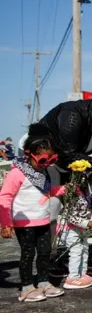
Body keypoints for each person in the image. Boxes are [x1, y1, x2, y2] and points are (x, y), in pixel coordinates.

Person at [0, 124, 65, 302]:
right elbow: (4, 197)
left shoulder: (43, 173)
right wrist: (6, 223)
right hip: (25, 223)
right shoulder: (17, 173)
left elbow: (45, 192)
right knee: (28, 255)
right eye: (44, 160)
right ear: (29, 154)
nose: (47, 165)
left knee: (45, 252)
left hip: (43, 220)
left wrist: (60, 190)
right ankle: (27, 287)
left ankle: (43, 282)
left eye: (52, 161)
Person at [38, 82, 92, 186]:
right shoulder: (73, 113)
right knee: (51, 199)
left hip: (66, 165)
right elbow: (67, 153)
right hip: (42, 158)